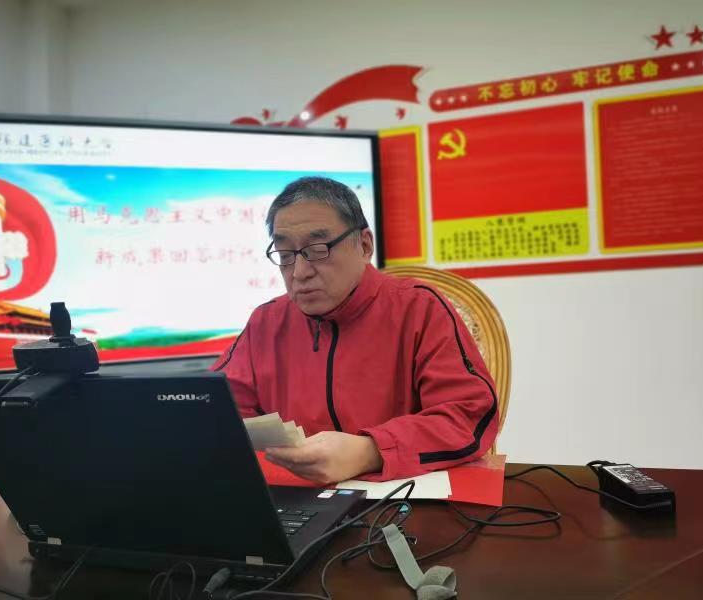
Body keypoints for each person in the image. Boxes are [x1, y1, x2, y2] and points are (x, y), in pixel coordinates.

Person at [213, 177, 498, 484]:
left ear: (364, 245)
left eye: (318, 250)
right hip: (297, 499)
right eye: (285, 256)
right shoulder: (267, 322)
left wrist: (370, 451)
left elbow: (468, 416)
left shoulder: (419, 308)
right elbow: (213, 410)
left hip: (399, 498)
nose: (299, 272)